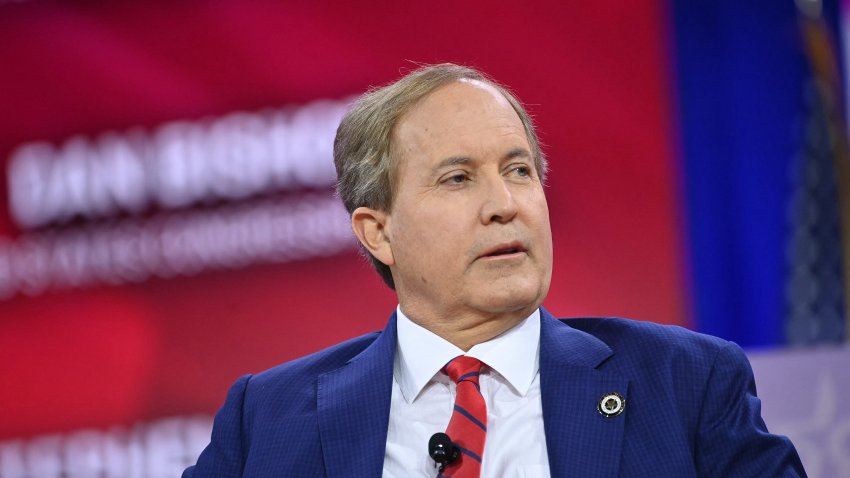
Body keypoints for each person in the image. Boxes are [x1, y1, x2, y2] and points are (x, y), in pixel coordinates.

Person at [183, 64, 806, 477]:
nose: (505, 205)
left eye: (519, 171)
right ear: (379, 233)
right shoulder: (266, 418)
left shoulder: (685, 384)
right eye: (458, 179)